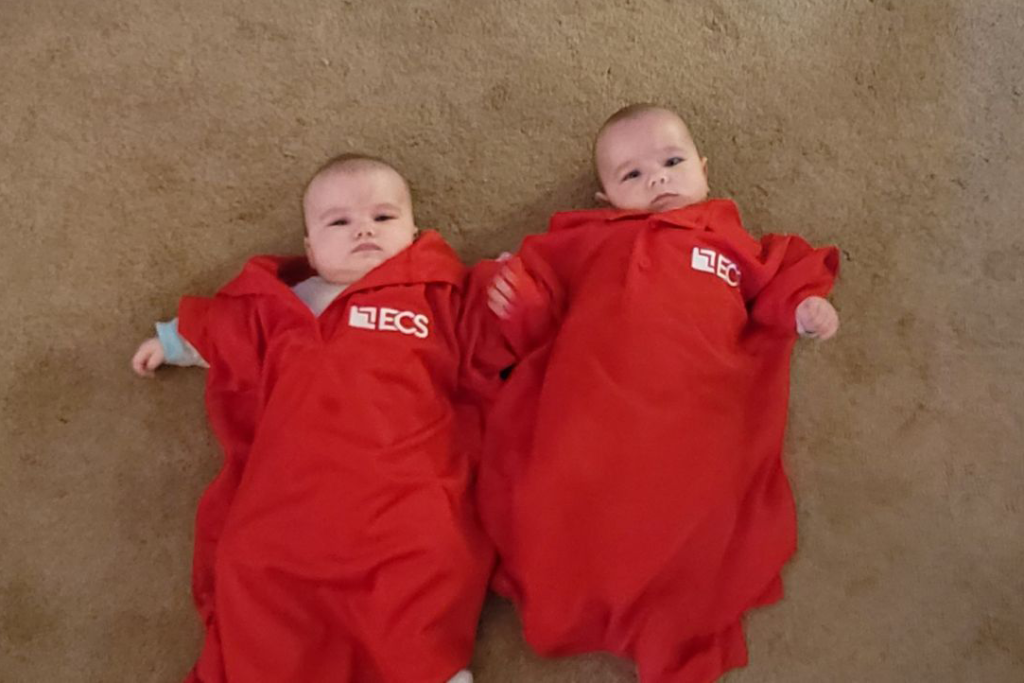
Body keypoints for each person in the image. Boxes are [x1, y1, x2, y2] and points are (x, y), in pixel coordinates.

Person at [479, 104, 840, 683]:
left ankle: (672, 638)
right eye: (632, 175)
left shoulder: (727, 239)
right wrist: (520, 300)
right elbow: (543, 318)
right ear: (605, 198)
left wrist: (803, 305)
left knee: (699, 524)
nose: (658, 180)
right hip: (597, 404)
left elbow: (778, 279)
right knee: (557, 490)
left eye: (672, 162)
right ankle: (581, 584)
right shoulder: (586, 240)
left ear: (703, 168)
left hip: (698, 409)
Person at [132, 154, 502, 683]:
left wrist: (517, 294)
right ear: (310, 249)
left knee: (429, 564)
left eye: (383, 216)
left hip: (405, 487)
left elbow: (499, 336)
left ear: (415, 232)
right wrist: (175, 341)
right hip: (289, 499)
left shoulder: (439, 295)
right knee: (251, 569)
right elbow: (229, 330)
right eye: (339, 222)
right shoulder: (280, 303)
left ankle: (427, 671)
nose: (364, 231)